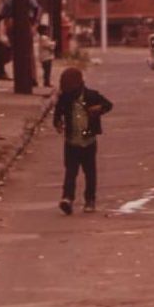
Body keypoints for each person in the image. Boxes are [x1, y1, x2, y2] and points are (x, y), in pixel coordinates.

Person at [53, 68, 113, 214]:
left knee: (90, 172)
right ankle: (67, 198)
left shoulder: (92, 95)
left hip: (89, 141)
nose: (69, 95)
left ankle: (90, 200)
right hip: (71, 141)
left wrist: (99, 109)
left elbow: (108, 105)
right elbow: (57, 114)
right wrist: (58, 124)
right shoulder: (64, 99)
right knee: (70, 171)